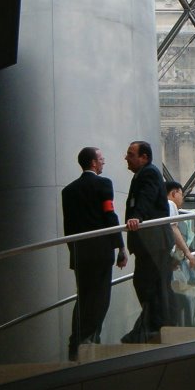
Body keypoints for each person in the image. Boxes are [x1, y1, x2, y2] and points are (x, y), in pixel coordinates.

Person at [61, 147, 127, 361]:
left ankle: (75, 342)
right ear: (93, 163)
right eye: (101, 159)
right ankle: (89, 339)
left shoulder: (68, 191)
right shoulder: (103, 184)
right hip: (100, 252)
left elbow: (68, 227)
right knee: (100, 299)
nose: (103, 162)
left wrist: (74, 251)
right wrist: (120, 247)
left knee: (83, 298)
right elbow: (109, 215)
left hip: (80, 253)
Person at [122, 140, 174, 342]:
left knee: (150, 283)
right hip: (150, 241)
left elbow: (147, 197)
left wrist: (138, 217)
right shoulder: (140, 175)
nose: (126, 157)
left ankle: (156, 325)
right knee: (149, 283)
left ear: (144, 157)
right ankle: (151, 324)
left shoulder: (149, 173)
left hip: (154, 240)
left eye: (130, 154)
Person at [165, 180, 195, 324]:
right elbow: (173, 228)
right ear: (174, 193)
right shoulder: (170, 205)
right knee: (181, 295)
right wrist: (188, 253)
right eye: (181, 194)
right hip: (169, 259)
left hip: (165, 258)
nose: (183, 199)